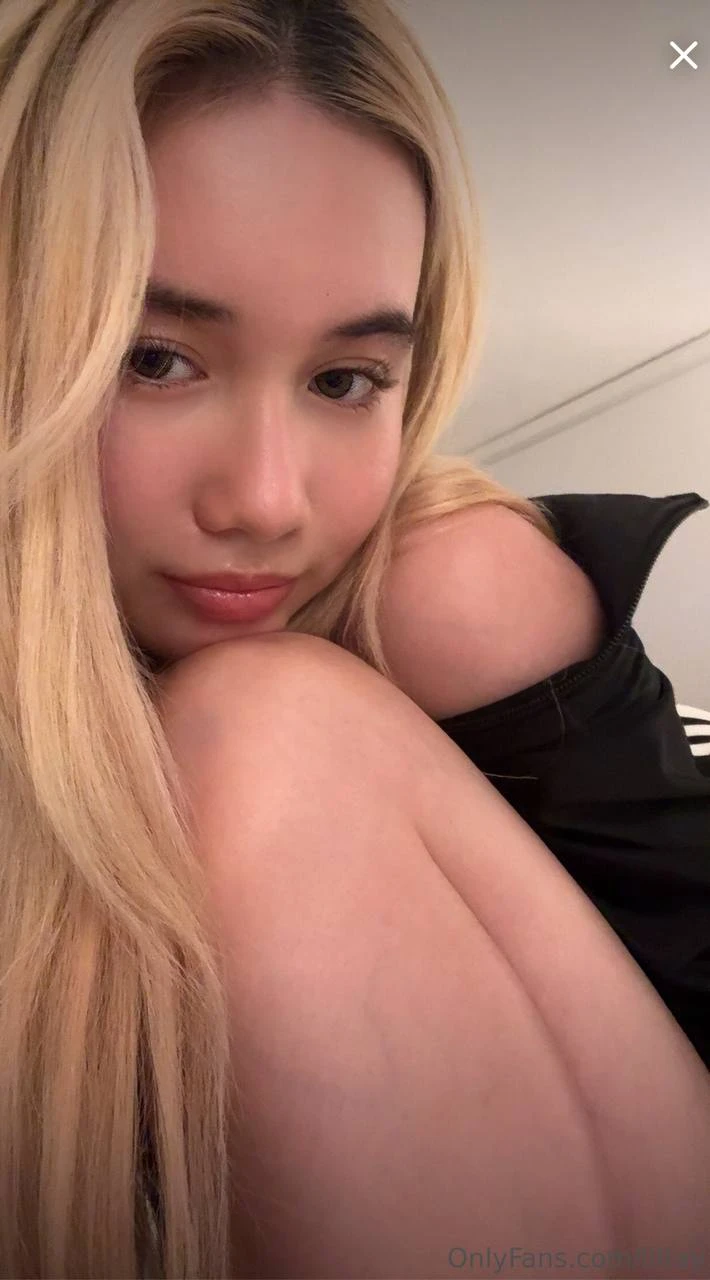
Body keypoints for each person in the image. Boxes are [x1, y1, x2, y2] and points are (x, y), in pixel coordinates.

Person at [0, 2, 708, 1278]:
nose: (266, 502)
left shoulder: (447, 594)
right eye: (153, 359)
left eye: (343, 380)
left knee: (259, 722)